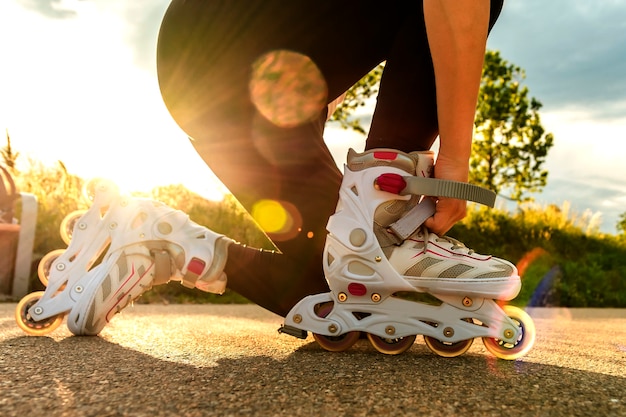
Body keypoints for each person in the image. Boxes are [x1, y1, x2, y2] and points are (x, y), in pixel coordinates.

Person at [22, 0, 520, 337]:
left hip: (223, 77)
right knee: (360, 263)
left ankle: (165, 242)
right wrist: (451, 163)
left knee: (344, 286)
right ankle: (382, 220)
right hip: (227, 51)